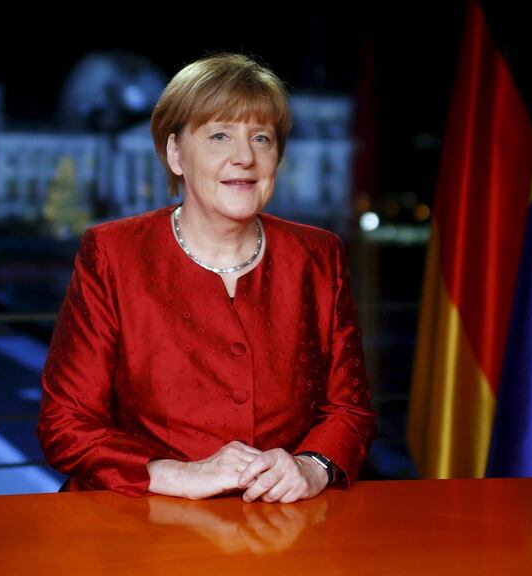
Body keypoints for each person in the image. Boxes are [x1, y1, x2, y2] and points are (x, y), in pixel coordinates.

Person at [37, 53, 375, 503]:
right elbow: (65, 425)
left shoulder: (319, 254)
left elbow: (349, 408)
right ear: (175, 152)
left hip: (280, 528)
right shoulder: (112, 253)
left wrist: (312, 466)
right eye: (219, 136)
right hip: (139, 525)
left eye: (261, 138)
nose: (244, 158)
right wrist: (178, 475)